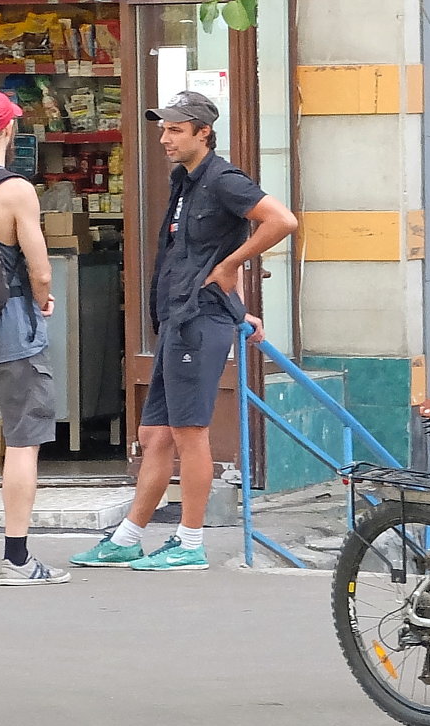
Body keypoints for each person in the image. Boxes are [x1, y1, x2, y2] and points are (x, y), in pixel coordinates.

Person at [71, 91, 297, 572]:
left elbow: (282, 221)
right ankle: (129, 537)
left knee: (189, 433)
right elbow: (192, 256)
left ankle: (190, 542)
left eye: (176, 129)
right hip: (181, 318)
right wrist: (238, 308)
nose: (165, 137)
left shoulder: (223, 179)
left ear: (203, 132)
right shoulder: (184, 180)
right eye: (163, 128)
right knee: (154, 435)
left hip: (198, 323)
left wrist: (232, 266)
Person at [0, 89, 69, 586]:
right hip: (11, 326)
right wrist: (43, 299)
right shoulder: (15, 189)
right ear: (8, 131)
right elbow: (39, 267)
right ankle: (19, 559)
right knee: (23, 442)